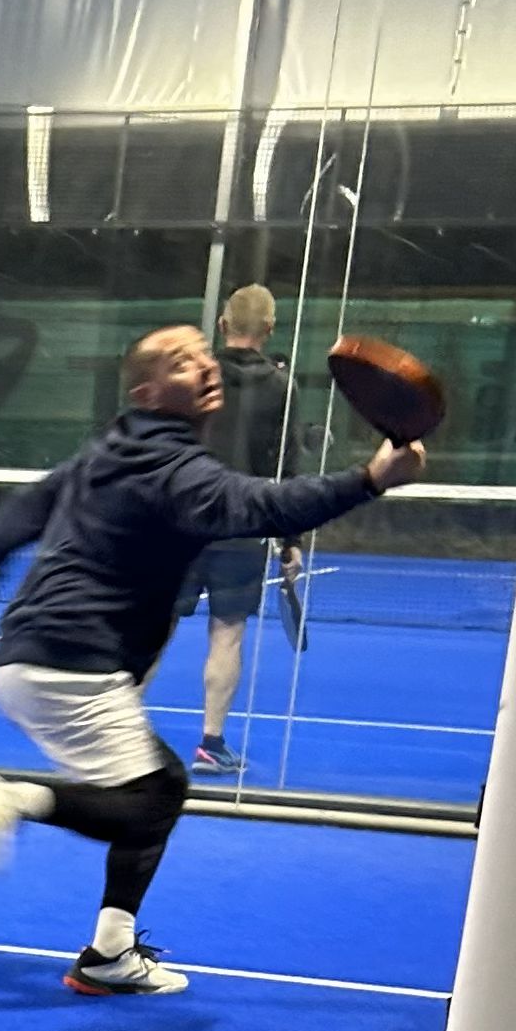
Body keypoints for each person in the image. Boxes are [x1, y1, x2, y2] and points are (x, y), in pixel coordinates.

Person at [0, 322, 425, 997]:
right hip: (73, 663)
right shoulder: (173, 468)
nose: (203, 364)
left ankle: (110, 954)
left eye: (201, 352)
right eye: (180, 361)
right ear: (147, 392)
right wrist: (370, 479)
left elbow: (14, 518)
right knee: (148, 802)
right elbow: (259, 505)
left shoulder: (104, 452)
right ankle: (7, 799)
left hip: (25, 660)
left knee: (159, 784)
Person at [176, 284, 302, 775]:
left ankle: (116, 739)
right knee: (227, 636)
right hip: (242, 528)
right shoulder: (282, 387)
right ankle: (211, 744)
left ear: (222, 324)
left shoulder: (194, 377)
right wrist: (290, 540)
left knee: (152, 628)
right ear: (269, 329)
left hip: (180, 526)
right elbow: (287, 469)